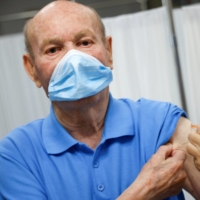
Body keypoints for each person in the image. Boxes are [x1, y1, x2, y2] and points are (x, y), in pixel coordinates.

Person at [0, 1, 200, 199]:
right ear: (32, 69)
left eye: (84, 43)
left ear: (108, 51)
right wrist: (144, 191)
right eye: (53, 49)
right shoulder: (16, 155)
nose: (74, 61)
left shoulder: (159, 122)